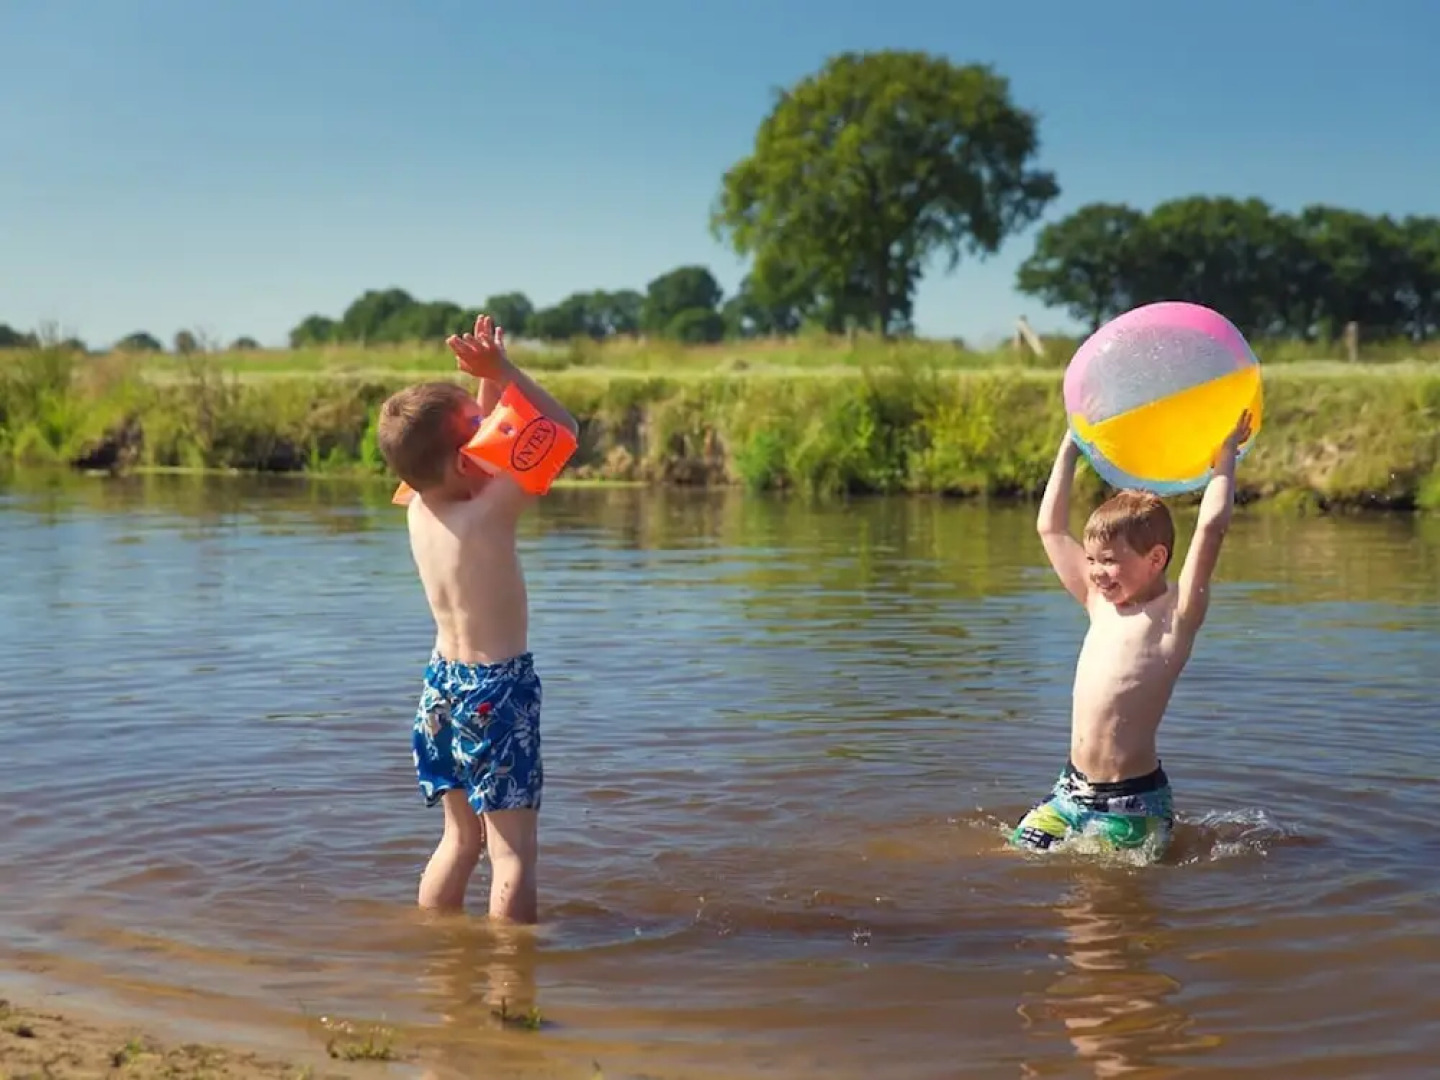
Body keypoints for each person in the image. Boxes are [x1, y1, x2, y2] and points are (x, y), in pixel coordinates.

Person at [376, 314, 577, 922]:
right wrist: (506, 372)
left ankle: (440, 959)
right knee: (513, 855)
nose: (493, 425)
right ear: (468, 461)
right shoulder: (489, 512)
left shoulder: (417, 504)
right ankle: (510, 990)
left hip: (442, 689)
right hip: (498, 692)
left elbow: (473, 450)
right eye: (478, 426)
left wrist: (483, 382)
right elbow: (562, 431)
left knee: (462, 841)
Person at [1011, 410, 1253, 858]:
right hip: (1068, 794)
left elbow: (1212, 528)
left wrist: (1225, 457)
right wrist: (1071, 445)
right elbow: (1049, 527)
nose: (1096, 573)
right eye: (1092, 560)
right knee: (1015, 859)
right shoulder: (1098, 601)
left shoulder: (1176, 614)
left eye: (1109, 560)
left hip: (1132, 802)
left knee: (1108, 906)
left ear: (1156, 558)